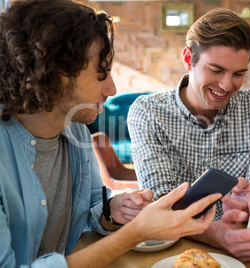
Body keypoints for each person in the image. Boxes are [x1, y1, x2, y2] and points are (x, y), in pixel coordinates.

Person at [0, 1, 222, 267]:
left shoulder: (75, 130)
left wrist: (113, 211)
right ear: (53, 75)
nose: (113, 88)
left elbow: (91, 208)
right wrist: (135, 233)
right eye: (100, 74)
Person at [128, 8, 250, 262]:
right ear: (189, 59)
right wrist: (216, 234)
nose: (226, 85)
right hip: (173, 254)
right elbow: (163, 208)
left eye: (239, 74)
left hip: (245, 253)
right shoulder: (148, 113)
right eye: (215, 70)